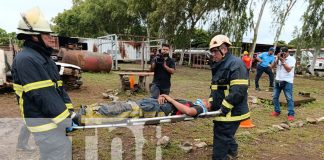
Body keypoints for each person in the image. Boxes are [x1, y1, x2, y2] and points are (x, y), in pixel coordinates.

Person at [11, 7, 76, 159]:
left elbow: (58, 89)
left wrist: (70, 113)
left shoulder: (43, 57)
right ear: (34, 36)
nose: (51, 37)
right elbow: (44, 96)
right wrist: (66, 121)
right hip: (43, 123)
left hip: (52, 120)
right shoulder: (26, 60)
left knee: (61, 150)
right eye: (46, 33)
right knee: (59, 151)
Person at [208, 35, 250, 160]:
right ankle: (232, 152)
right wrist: (211, 102)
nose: (213, 55)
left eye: (215, 51)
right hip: (224, 112)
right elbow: (216, 88)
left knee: (221, 139)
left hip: (230, 113)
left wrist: (223, 109)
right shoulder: (221, 64)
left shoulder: (235, 64)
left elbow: (238, 91)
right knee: (225, 135)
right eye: (212, 52)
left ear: (224, 49)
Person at [76, 94, 210, 125]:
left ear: (208, 106)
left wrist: (170, 99)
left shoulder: (199, 108)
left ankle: (84, 116)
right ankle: (87, 110)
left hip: (151, 109)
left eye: (208, 101)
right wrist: (163, 96)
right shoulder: (193, 103)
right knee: (120, 106)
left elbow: (189, 112)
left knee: (118, 110)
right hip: (151, 103)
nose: (205, 99)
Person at [270, 47, 296, 121]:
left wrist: (283, 61)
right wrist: (277, 59)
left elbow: (288, 70)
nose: (282, 54)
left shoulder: (291, 59)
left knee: (289, 98)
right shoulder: (278, 58)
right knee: (275, 97)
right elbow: (271, 67)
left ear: (287, 52)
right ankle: (277, 111)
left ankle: (291, 114)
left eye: (283, 53)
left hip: (287, 81)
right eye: (281, 53)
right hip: (278, 80)